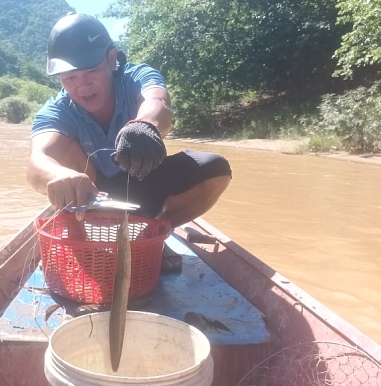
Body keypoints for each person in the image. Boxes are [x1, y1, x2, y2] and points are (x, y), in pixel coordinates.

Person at [27, 13, 232, 271]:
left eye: (91, 71)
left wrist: (144, 125)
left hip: (142, 182)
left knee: (215, 169)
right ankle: (80, 243)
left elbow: (158, 104)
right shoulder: (57, 110)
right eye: (70, 78)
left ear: (111, 59)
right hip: (92, 200)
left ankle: (153, 234)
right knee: (63, 154)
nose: (82, 86)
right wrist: (57, 174)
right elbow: (36, 162)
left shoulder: (135, 77)